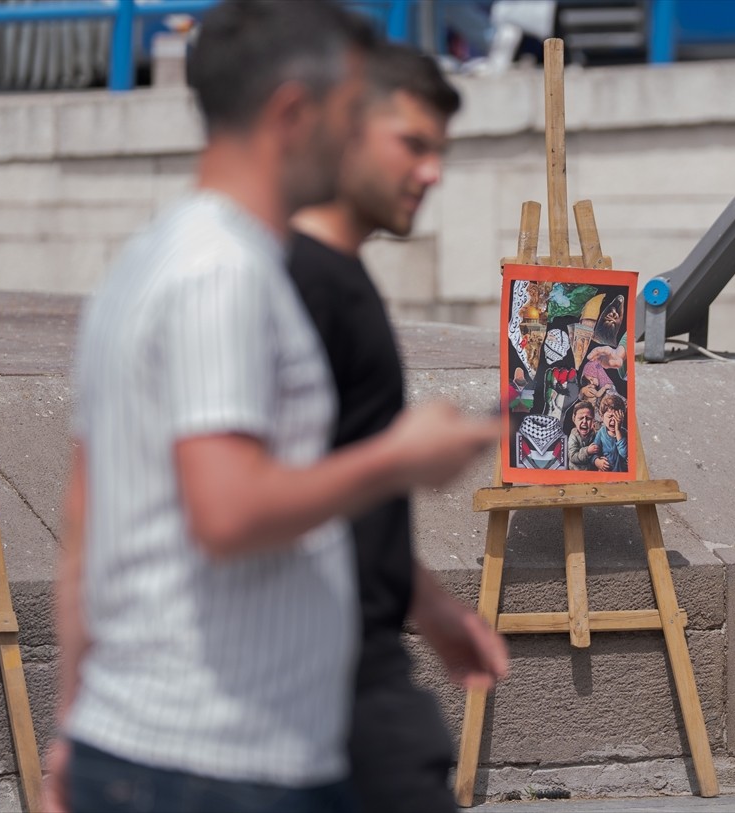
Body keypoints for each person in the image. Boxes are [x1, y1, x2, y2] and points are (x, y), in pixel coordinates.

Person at [48, 4, 499, 812]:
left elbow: (87, 516)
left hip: (160, 747)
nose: (362, 133)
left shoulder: (152, 259)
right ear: (294, 114)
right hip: (221, 761)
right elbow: (225, 509)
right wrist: (400, 456)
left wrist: (72, 728)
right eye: (352, 109)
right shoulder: (226, 274)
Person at [288, 42, 509, 813]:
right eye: (412, 145)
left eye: (440, 151)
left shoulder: (340, 277)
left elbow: (335, 484)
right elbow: (236, 497)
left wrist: (431, 605)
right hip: (312, 687)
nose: (433, 173)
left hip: (358, 669)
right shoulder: (293, 282)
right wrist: (400, 457)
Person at [592, 391, 629, 473]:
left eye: (617, 417)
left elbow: (624, 454)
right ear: (602, 417)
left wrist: (618, 430)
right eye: (610, 416)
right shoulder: (601, 433)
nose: (614, 420)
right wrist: (597, 461)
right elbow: (593, 451)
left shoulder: (625, 433)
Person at [566, 400, 600, 471]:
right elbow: (572, 456)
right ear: (574, 419)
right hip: (576, 471)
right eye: (581, 418)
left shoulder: (594, 433)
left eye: (588, 418)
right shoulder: (573, 436)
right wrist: (587, 451)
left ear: (593, 420)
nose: (584, 421)